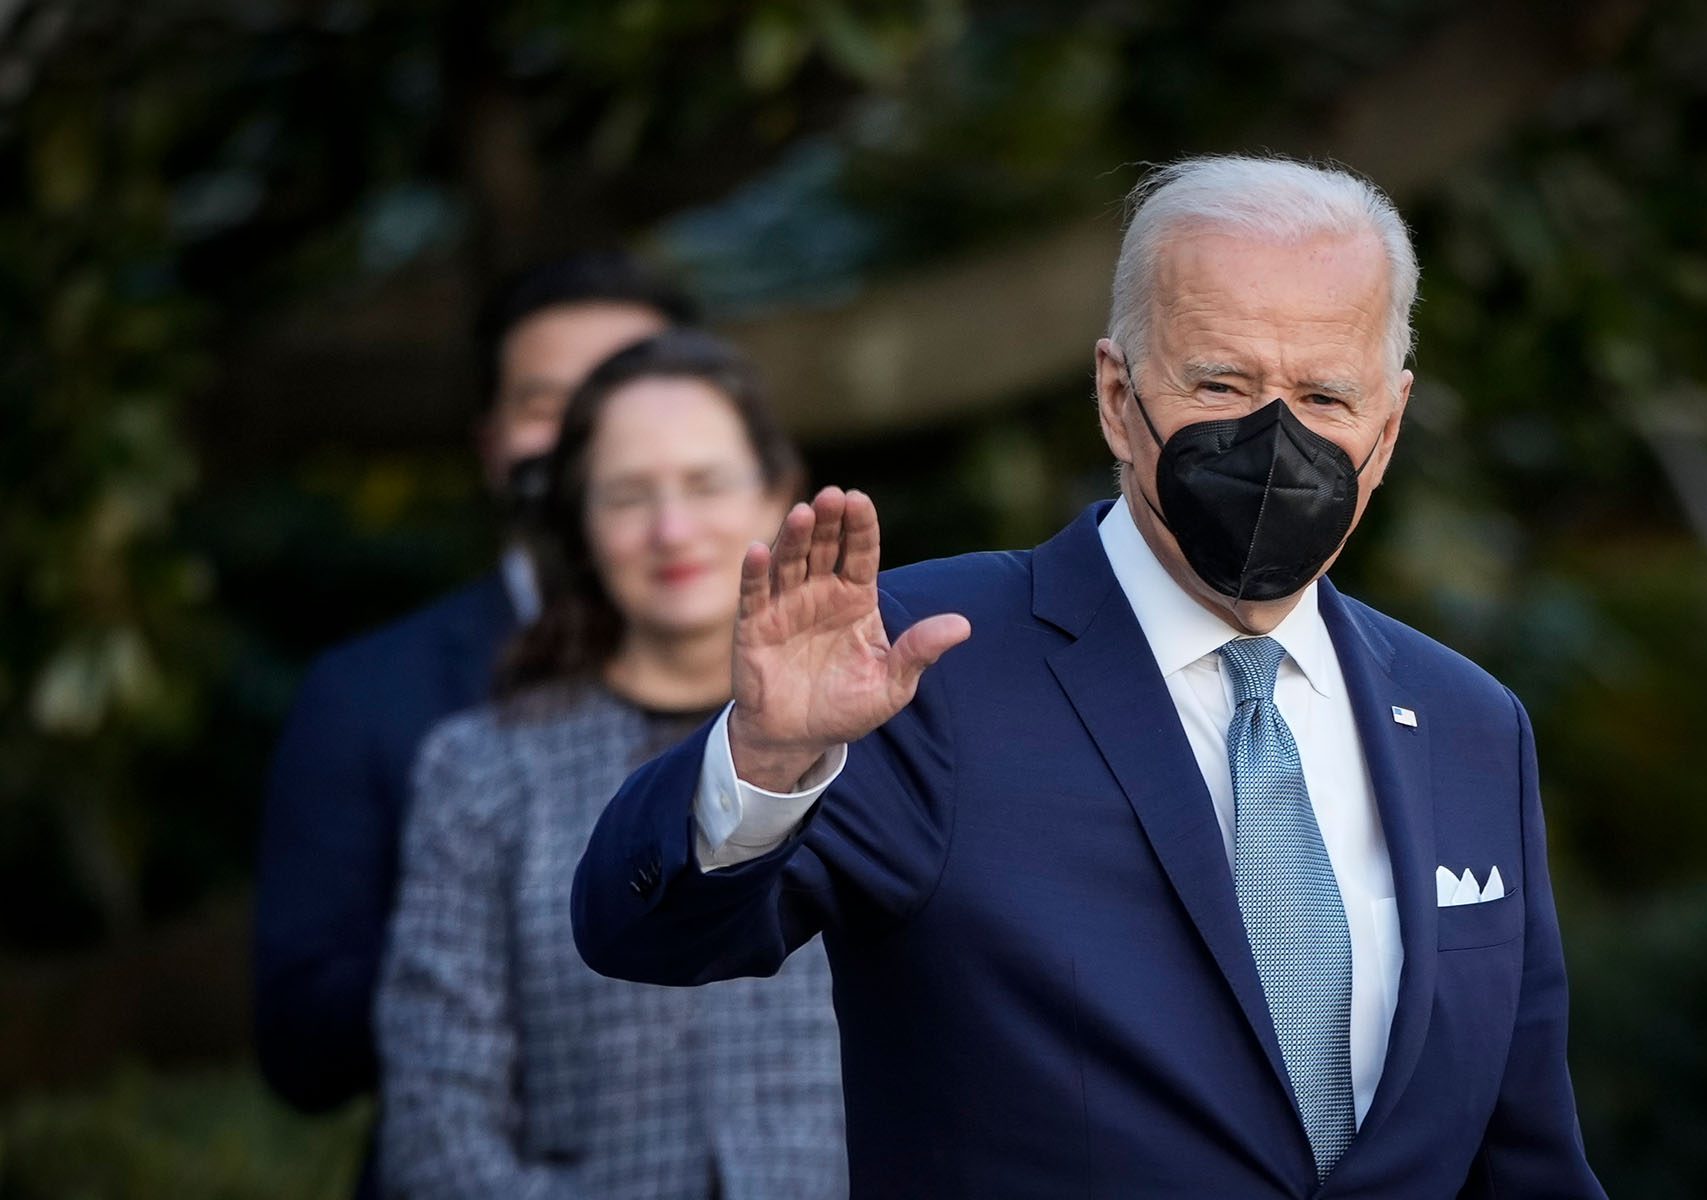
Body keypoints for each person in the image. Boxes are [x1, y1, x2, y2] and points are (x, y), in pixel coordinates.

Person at [572, 156, 1606, 1198]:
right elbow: (648, 935)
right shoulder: (922, 660)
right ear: (1118, 397)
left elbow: (1525, 1160)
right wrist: (768, 757)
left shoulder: (1474, 723)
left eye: (1326, 394)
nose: (1276, 436)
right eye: (1221, 383)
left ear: (1388, 426)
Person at [375, 329, 846, 1200]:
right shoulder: (481, 769)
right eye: (628, 495)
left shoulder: (883, 739)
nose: (672, 530)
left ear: (778, 492)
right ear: (581, 523)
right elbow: (438, 1115)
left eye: (705, 484)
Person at [254, 255, 690, 1192]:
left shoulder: (801, 682)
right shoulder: (370, 694)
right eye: (548, 403)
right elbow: (297, 1049)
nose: (587, 433)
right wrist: (485, 928)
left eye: (626, 390)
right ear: (492, 443)